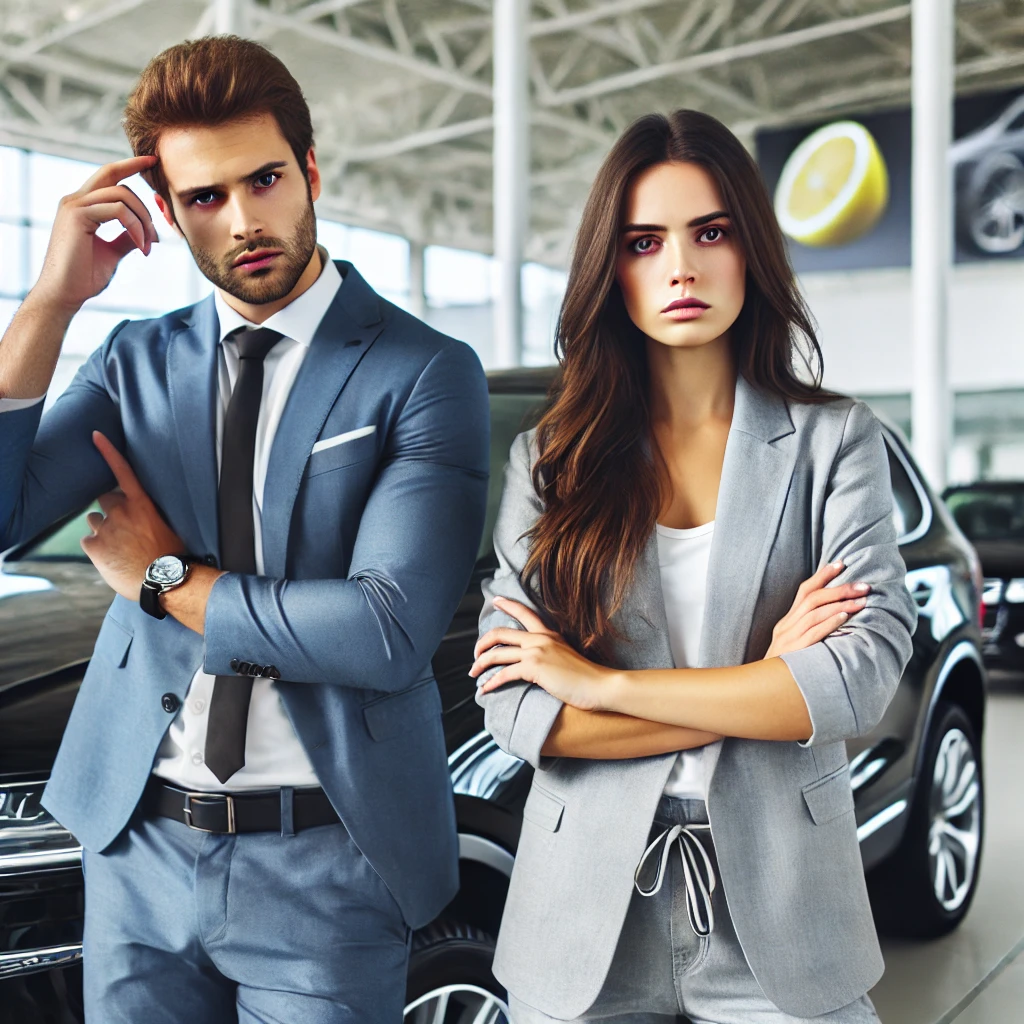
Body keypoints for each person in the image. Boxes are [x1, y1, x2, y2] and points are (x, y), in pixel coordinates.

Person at [0, 36, 489, 1023]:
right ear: (169, 211)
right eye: (204, 198)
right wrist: (50, 302)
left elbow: (386, 631)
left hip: (329, 864)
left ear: (309, 169)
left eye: (263, 179)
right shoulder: (136, 362)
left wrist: (166, 578)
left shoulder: (422, 370)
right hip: (137, 850)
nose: (243, 220)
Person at [472, 109, 917, 1024]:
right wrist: (761, 686)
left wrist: (597, 685)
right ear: (611, 268)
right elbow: (519, 709)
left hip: (784, 909)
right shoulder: (548, 463)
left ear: (750, 248)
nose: (681, 266)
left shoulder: (837, 444)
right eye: (644, 241)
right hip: (582, 912)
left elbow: (851, 684)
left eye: (710, 232)